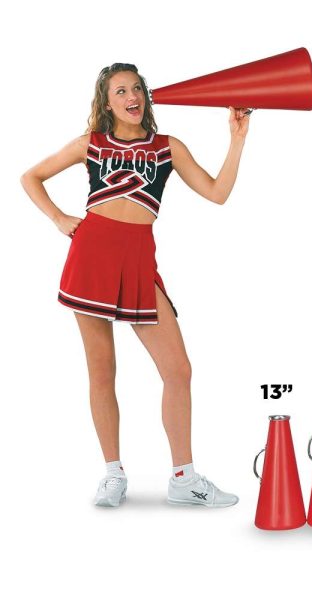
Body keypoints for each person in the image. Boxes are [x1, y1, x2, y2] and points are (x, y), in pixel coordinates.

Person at [20, 63, 249, 508]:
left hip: (139, 260)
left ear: (145, 95)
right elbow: (31, 176)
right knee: (102, 372)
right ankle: (113, 474)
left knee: (177, 370)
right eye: (120, 90)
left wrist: (237, 139)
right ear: (106, 103)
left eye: (137, 88)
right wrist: (59, 218)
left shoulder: (168, 148)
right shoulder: (92, 143)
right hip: (91, 256)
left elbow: (218, 192)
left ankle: (183, 478)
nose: (132, 96)